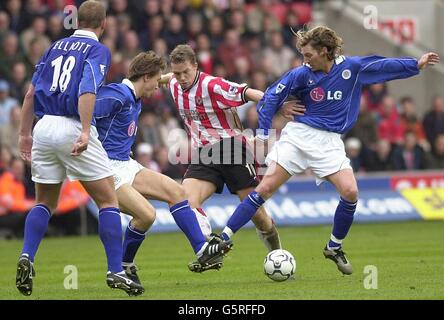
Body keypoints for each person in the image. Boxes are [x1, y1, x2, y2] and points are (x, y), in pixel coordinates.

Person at [218, 26, 440, 275]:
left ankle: (334, 247)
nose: (305, 60)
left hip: (330, 143)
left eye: (309, 55)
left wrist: (415, 64)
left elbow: (382, 67)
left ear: (325, 51)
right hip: (299, 137)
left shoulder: (351, 69)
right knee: (265, 188)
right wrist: (262, 133)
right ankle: (224, 238)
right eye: (302, 55)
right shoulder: (301, 74)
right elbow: (270, 98)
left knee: (351, 191)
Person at [16, 1, 143, 296]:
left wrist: (24, 135)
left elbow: (31, 93)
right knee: (108, 201)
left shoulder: (54, 46)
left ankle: (26, 255)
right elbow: (87, 89)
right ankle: (115, 270)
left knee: (44, 202)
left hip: (44, 127)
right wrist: (86, 131)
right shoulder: (98, 51)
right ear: (104, 23)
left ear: (76, 21)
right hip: (72, 125)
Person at [159, 44, 305, 272]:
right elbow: (164, 78)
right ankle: (209, 250)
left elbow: (249, 93)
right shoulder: (174, 82)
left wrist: (278, 105)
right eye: (177, 73)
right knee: (185, 201)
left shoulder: (213, 85)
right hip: (204, 154)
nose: (182, 78)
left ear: (196, 66)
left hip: (231, 149)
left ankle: (277, 251)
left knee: (257, 214)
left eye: (186, 72)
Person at [94, 51, 233, 286]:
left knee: (177, 193)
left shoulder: (135, 92)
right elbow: (85, 112)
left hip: (126, 163)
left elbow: (166, 78)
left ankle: (202, 250)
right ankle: (119, 268)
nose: (158, 88)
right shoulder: (117, 94)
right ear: (146, 77)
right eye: (156, 81)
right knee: (147, 215)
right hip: (105, 167)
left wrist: (184, 76)